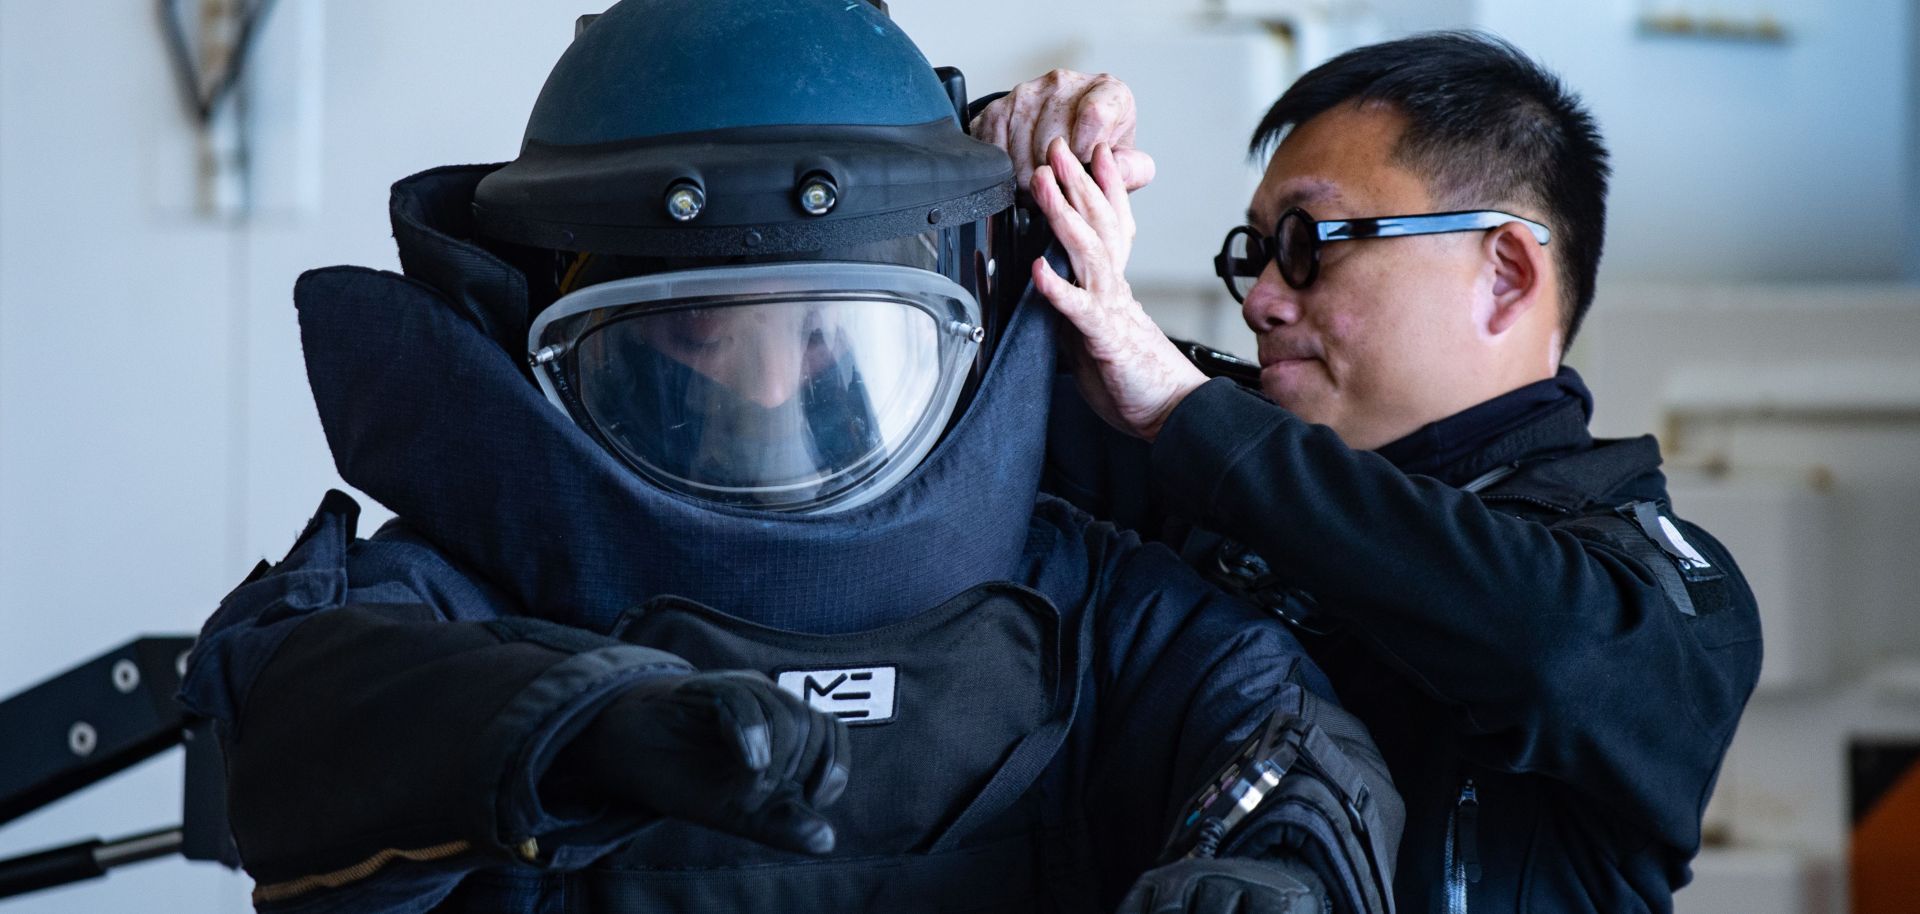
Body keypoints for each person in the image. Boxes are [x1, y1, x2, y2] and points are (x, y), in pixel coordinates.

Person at [176, 2, 1403, 912]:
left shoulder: (1089, 607)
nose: (768, 389)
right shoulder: (472, 597)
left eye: (830, 340)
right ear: (550, 339)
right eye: (698, 333)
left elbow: (1286, 742)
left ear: (963, 318)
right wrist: (581, 727)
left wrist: (1269, 870)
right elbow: (287, 714)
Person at [971, 32, 1763, 914]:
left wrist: (1183, 413)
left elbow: (1552, 650)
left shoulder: (1659, 595)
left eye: (1310, 243)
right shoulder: (1199, 459)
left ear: (1504, 275)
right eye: (1258, 253)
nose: (1264, 300)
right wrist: (995, 181)